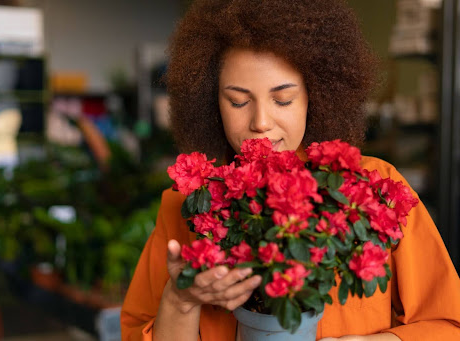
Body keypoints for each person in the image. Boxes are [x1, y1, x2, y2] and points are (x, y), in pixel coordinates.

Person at [121, 0, 460, 340]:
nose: (261, 123)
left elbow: (449, 324)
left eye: (283, 99)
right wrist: (181, 299)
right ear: (211, 102)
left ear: (317, 95)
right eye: (238, 101)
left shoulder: (376, 191)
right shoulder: (186, 205)